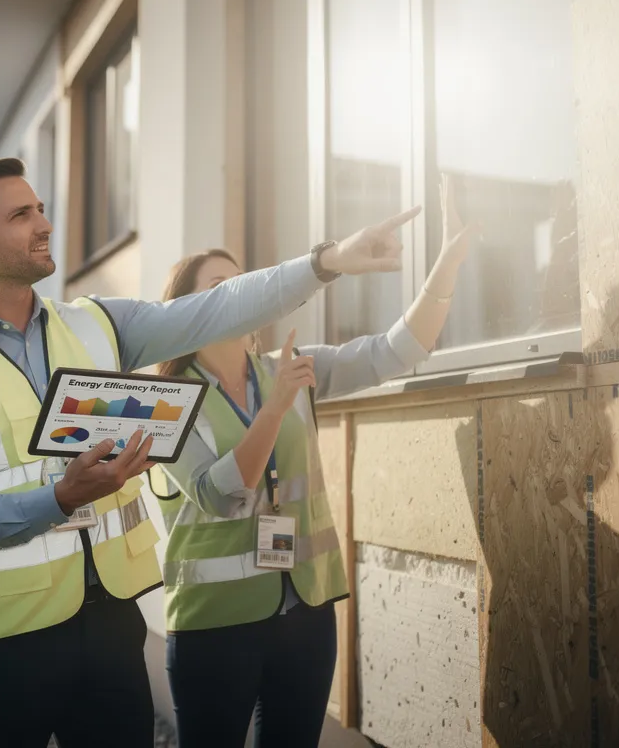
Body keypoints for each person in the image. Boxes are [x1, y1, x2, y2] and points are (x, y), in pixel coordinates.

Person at [0, 156, 421, 747]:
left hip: (110, 626)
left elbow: (218, 307)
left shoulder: (97, 326)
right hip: (2, 643)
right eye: (20, 214)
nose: (44, 223)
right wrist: (59, 499)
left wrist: (327, 261)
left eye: (40, 208)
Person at [149, 175, 478, 747]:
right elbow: (221, 494)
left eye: (244, 283)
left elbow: (396, 350)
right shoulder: (163, 401)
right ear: (186, 310)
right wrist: (274, 410)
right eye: (221, 285)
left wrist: (446, 266)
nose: (239, 294)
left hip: (305, 616)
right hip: (213, 626)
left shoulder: (290, 369)